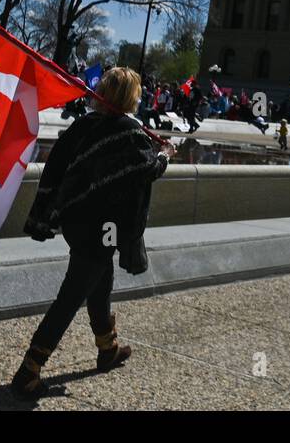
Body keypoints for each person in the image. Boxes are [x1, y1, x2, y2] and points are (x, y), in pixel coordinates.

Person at [13, 67, 172, 399]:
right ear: (130, 97)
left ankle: (107, 348)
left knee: (100, 280)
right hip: (104, 226)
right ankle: (29, 370)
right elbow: (145, 170)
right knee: (72, 295)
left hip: (77, 220)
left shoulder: (85, 126)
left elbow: (60, 165)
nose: (141, 98)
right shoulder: (129, 132)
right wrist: (164, 155)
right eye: (138, 93)